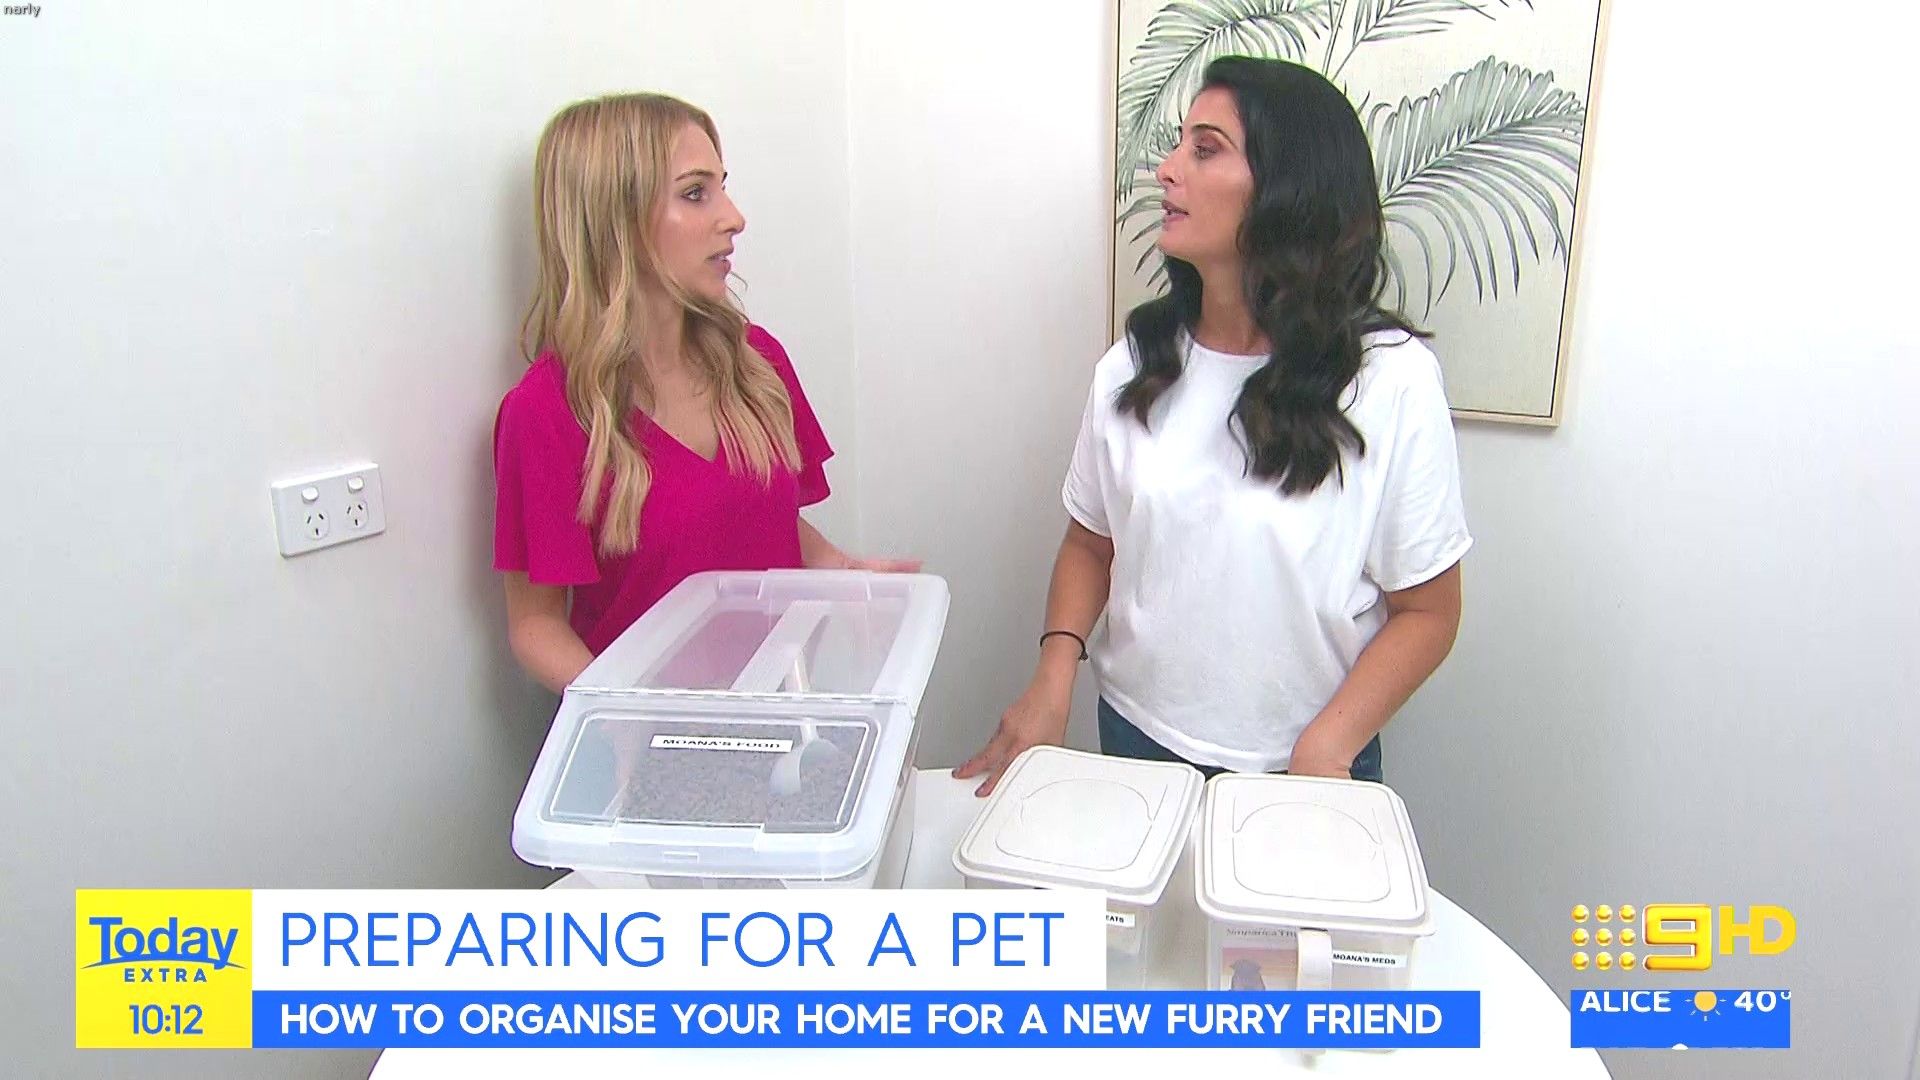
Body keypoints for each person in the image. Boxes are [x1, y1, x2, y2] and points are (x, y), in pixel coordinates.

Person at [956, 57, 1471, 795]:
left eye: (1205, 149)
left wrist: (1325, 747)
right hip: (1134, 741)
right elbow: (1090, 543)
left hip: (1307, 764)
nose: (1167, 171)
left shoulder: (1391, 379)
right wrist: (1053, 675)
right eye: (1178, 146)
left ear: (1289, 187)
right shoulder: (1135, 365)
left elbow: (1428, 611)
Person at [493, 93, 913, 693]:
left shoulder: (756, 364)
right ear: (616, 221)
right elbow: (536, 624)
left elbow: (754, 520)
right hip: (651, 736)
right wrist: (631, 714)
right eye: (696, 193)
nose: (734, 217)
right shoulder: (547, 413)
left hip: (780, 712)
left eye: (722, 187)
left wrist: (844, 574)